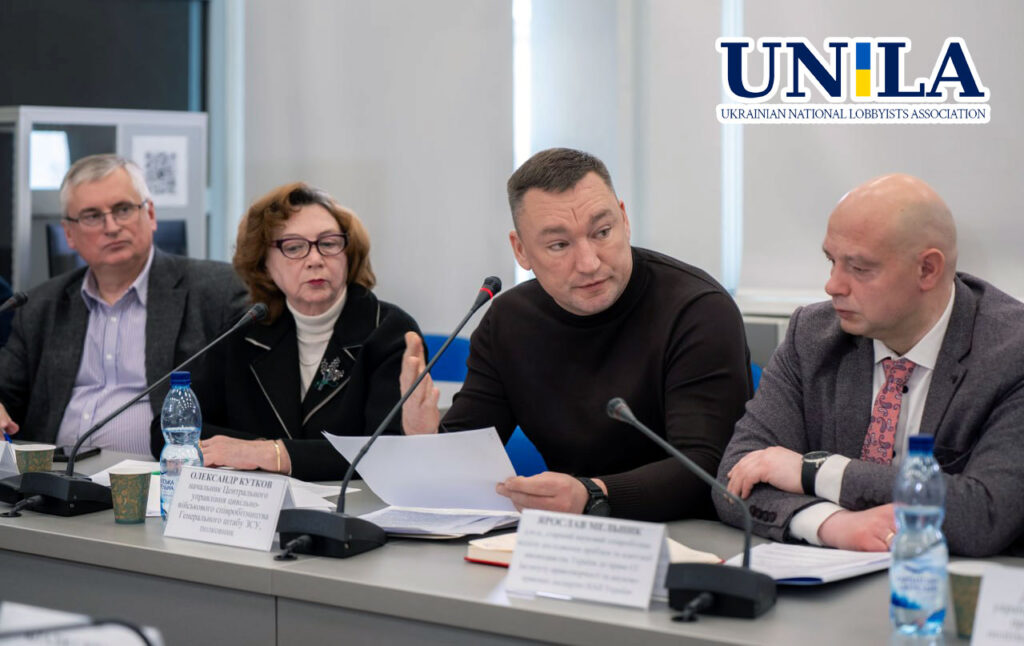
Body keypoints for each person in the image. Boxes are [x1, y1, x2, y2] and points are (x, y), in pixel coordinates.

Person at [401, 148, 751, 521]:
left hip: (690, 534)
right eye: (559, 245)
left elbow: (706, 468)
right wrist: (426, 441)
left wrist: (591, 494)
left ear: (624, 219)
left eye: (602, 232)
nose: (588, 263)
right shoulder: (508, 321)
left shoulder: (696, 310)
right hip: (569, 535)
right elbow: (467, 459)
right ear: (521, 250)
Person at [717, 174, 1024, 557]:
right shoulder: (811, 336)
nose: (833, 285)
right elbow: (737, 476)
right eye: (831, 261)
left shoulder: (1011, 353)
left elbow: (984, 514)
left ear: (927, 270)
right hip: (836, 578)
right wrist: (832, 525)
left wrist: (816, 471)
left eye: (859, 269)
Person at [0, 154, 247, 455]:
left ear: (150, 214)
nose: (112, 226)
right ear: (69, 234)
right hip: (54, 474)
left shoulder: (215, 291)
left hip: (163, 474)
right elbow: (6, 391)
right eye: (92, 216)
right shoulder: (40, 305)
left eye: (123, 209)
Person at [182, 183, 422, 481]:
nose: (315, 259)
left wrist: (271, 454)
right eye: (294, 247)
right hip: (258, 504)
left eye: (329, 243)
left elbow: (386, 451)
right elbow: (173, 429)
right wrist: (254, 451)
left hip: (354, 505)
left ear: (349, 253)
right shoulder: (245, 332)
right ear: (263, 263)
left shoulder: (389, 331)